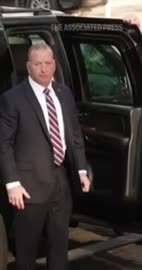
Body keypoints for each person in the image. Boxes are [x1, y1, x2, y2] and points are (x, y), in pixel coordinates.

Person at [0, 44, 91, 270]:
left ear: (55, 65)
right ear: (28, 67)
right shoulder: (13, 98)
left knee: (59, 246)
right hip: (28, 188)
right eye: (38, 64)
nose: (44, 69)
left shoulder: (64, 93)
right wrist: (12, 183)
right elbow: (4, 143)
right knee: (26, 252)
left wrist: (81, 169)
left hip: (61, 184)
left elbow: (75, 135)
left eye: (48, 63)